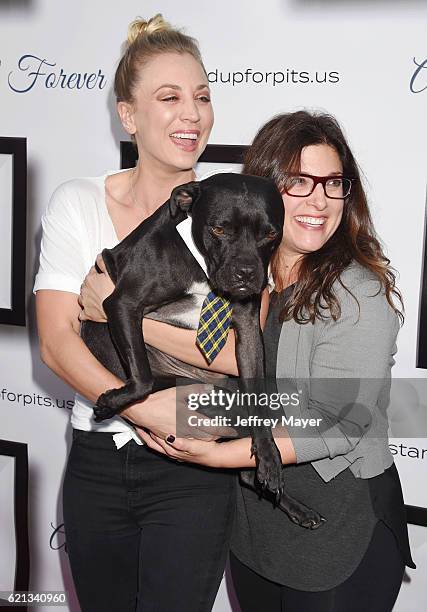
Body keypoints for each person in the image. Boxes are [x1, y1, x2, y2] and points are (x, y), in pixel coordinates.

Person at [81, 111, 415, 612]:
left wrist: (214, 454)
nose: (318, 200)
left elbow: (344, 423)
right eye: (298, 183)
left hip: (340, 531)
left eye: (333, 184)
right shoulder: (239, 279)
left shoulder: (356, 294)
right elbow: (219, 372)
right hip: (255, 533)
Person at [34, 14, 253, 612]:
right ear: (128, 116)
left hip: (194, 464)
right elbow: (57, 341)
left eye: (203, 96)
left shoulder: (227, 216)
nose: (193, 113)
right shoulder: (79, 203)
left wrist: (115, 311)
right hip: (97, 464)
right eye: (170, 97)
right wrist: (144, 405)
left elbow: (235, 353)